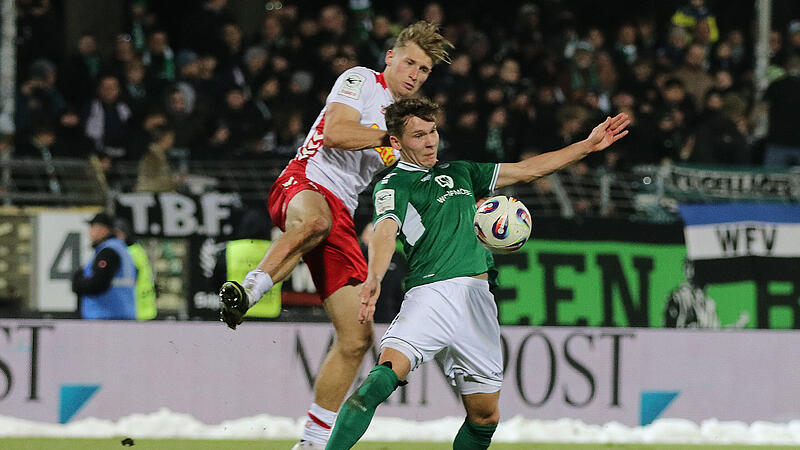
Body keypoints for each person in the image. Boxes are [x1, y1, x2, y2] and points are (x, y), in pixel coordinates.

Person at [325, 97, 629, 450]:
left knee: (485, 416)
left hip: (478, 301)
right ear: (396, 142)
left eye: (433, 131)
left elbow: (527, 170)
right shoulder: (394, 184)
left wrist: (587, 146)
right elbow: (385, 231)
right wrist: (375, 275)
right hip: (432, 295)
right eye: (418, 135)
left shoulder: (462, 171)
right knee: (381, 379)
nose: (430, 141)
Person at [217, 21, 453, 448]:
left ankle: (310, 441)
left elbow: (406, 185)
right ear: (391, 59)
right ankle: (250, 290)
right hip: (305, 181)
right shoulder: (361, 80)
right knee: (315, 222)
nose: (415, 74)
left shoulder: (411, 124)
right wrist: (390, 136)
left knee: (357, 336)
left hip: (342, 212)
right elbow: (335, 132)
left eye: (424, 70)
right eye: (410, 63)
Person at [71, 212, 137, 320]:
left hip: (106, 316)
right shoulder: (121, 249)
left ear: (103, 229)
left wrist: (78, 282)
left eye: (92, 227)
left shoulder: (108, 252)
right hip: (123, 314)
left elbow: (98, 283)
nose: (89, 232)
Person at [115, 218, 157, 321]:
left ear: (122, 235)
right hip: (146, 310)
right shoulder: (137, 250)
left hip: (135, 311)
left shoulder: (127, 254)